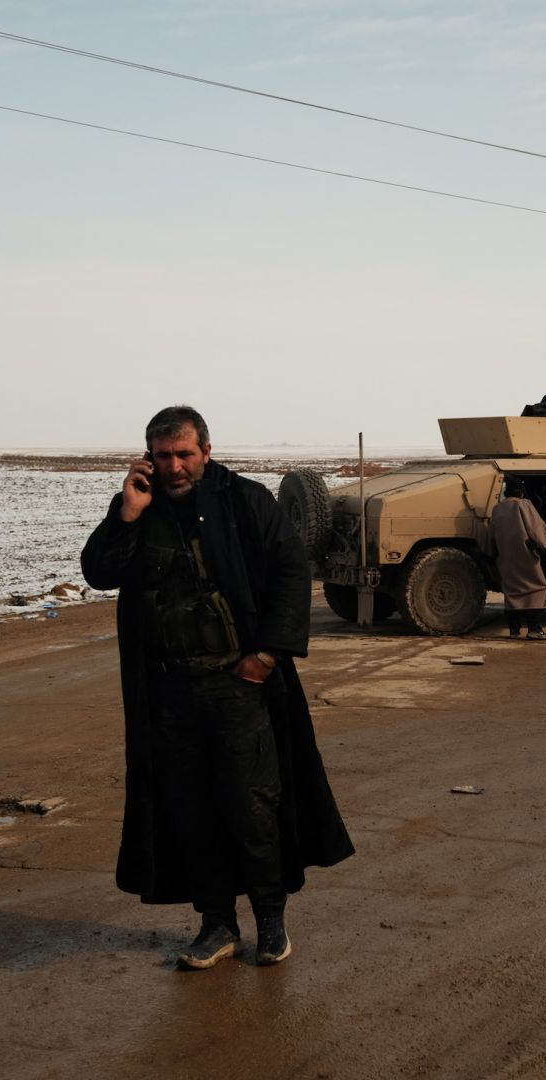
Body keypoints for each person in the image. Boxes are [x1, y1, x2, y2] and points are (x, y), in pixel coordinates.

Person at [81, 405, 353, 972]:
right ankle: (217, 925)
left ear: (206, 450)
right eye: (164, 456)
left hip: (237, 685)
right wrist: (127, 515)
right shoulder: (138, 506)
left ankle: (271, 922)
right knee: (190, 809)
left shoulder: (244, 499)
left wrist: (266, 655)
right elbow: (100, 571)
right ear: (148, 457)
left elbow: (289, 570)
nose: (175, 466)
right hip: (169, 693)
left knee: (251, 804)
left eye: (185, 454)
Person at [489, 478, 546, 640]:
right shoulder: (524, 505)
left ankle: (514, 630)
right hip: (525, 554)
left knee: (512, 590)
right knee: (536, 588)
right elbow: (536, 528)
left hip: (505, 555)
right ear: (521, 491)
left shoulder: (497, 508)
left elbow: (491, 534)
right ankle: (534, 629)